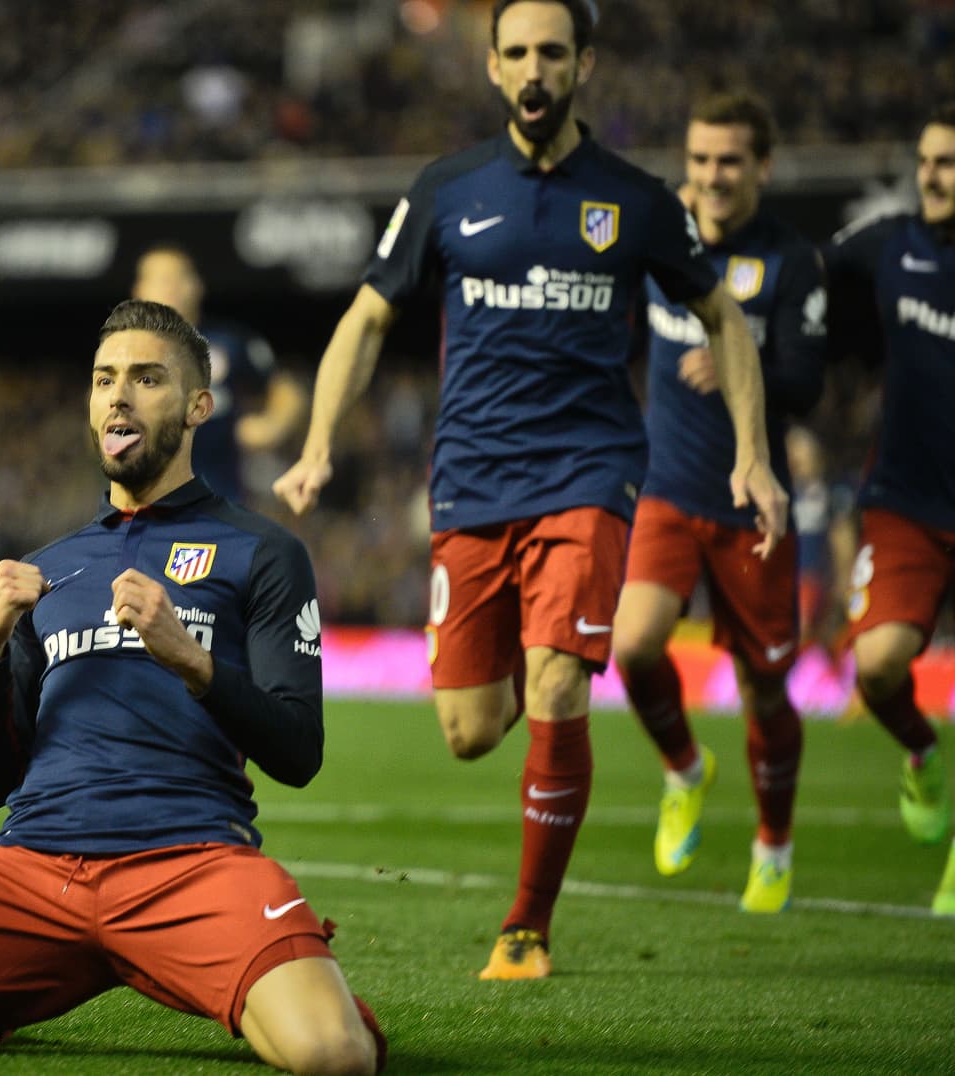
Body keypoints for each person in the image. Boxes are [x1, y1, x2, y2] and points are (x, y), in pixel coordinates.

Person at [273, 0, 787, 979]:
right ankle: (547, 659)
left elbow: (722, 316)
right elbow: (366, 317)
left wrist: (750, 452)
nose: (533, 68)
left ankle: (524, 927)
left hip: (588, 470)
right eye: (516, 52)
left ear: (582, 62)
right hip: (469, 481)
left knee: (556, 678)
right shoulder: (446, 188)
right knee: (469, 729)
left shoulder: (635, 200)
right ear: (492, 68)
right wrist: (317, 442)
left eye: (552, 50)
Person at [0, 299, 386, 1075]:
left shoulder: (261, 552)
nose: (118, 396)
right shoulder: (49, 567)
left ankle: (285, 977)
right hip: (32, 872)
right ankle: (3, 997)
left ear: (199, 406)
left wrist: (192, 661)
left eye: (147, 379)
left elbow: (298, 752)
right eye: (104, 380)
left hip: (188, 865)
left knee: (333, 1055)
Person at [610, 93, 827, 913]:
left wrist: (745, 355)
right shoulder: (667, 237)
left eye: (729, 161)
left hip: (751, 503)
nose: (711, 177)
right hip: (667, 490)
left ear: (761, 168)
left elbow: (809, 383)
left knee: (765, 689)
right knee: (633, 647)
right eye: (699, 161)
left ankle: (773, 843)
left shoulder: (790, 262)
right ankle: (684, 767)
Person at [823, 102, 955, 916]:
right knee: (876, 667)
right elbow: (808, 277)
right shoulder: (890, 245)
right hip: (906, 504)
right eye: (928, 161)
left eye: (949, 163)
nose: (933, 175)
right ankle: (922, 751)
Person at [133, 243, 307, 503]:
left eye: (179, 277)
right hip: (148, 508)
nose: (170, 287)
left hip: (220, 503)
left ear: (197, 286)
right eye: (159, 279)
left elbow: (287, 392)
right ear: (138, 291)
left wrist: (270, 427)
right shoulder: (124, 354)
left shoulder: (228, 343)